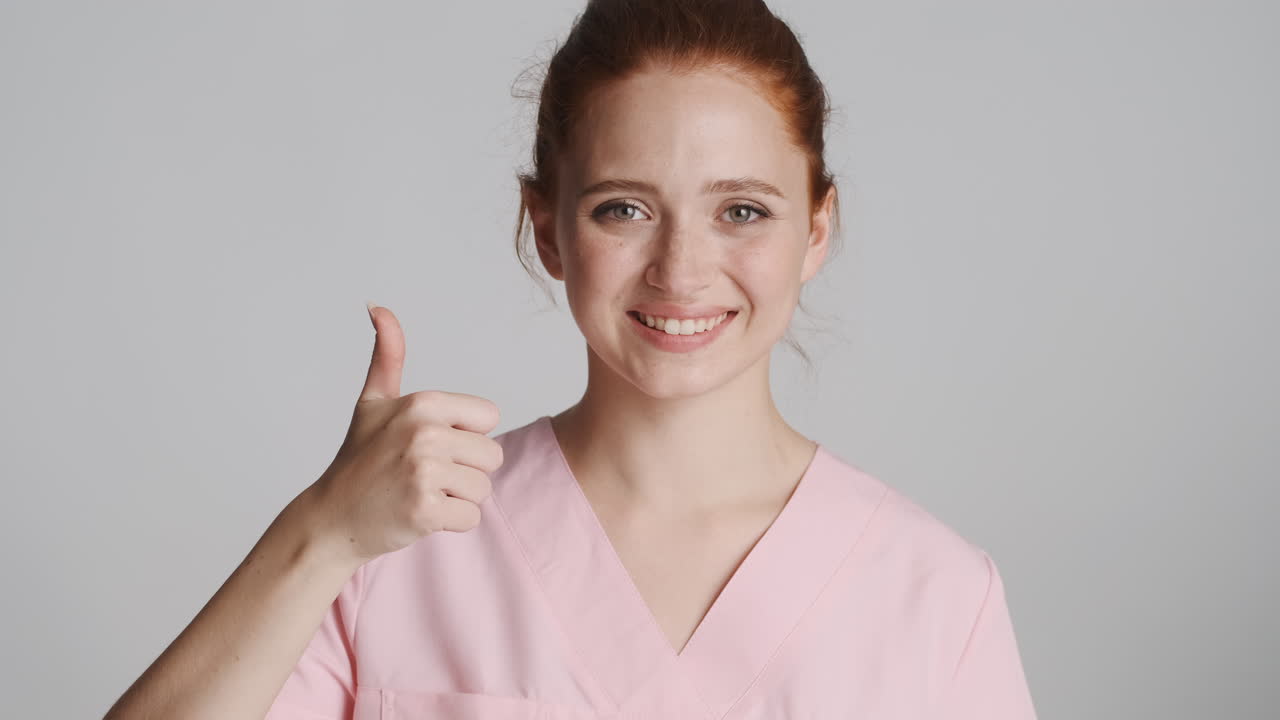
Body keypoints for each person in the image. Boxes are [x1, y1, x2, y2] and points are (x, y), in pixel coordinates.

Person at [104, 0, 1038, 718]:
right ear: (546, 229)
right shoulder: (395, 547)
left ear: (817, 231)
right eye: (623, 208)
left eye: (742, 211)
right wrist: (322, 534)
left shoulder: (936, 597)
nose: (680, 269)